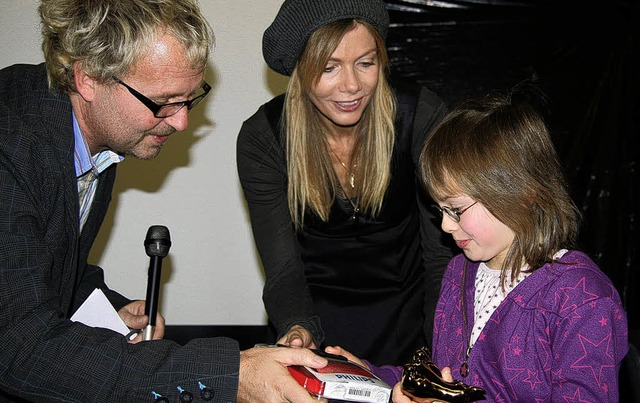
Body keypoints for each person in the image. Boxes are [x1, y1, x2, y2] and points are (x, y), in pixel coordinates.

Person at [0, 1, 328, 402]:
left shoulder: (99, 142)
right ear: (87, 77)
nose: (180, 121)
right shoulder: (10, 143)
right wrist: (231, 375)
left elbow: (34, 260)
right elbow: (17, 344)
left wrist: (103, 307)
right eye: (163, 100)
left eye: (191, 98)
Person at [327, 88, 629, 401]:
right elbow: (448, 379)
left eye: (456, 209)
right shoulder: (460, 272)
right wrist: (368, 374)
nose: (444, 225)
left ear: (521, 192)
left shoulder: (581, 299)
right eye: (439, 210)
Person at [237, 0, 454, 367]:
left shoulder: (421, 116)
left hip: (412, 317)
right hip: (312, 315)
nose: (352, 86)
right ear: (299, 70)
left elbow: (440, 258)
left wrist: (442, 348)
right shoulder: (265, 138)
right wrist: (295, 326)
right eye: (328, 67)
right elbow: (283, 269)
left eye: (366, 63)